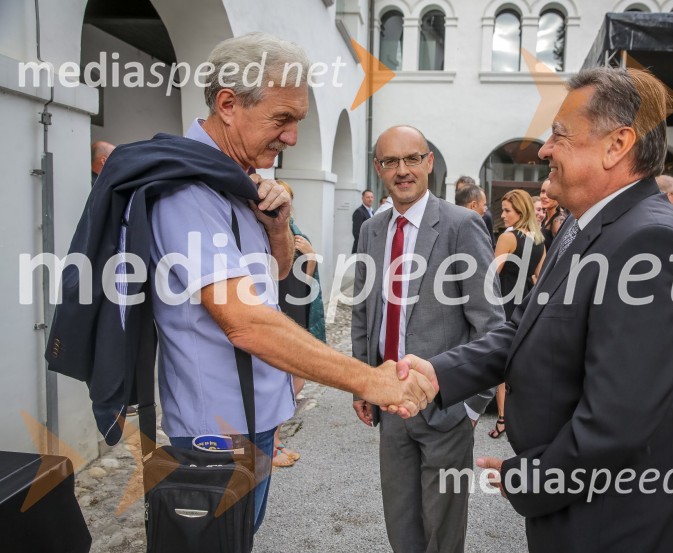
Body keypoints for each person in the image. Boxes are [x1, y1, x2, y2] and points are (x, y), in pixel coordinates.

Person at [49, 33, 437, 538]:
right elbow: (247, 323)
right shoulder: (188, 191)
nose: (293, 137)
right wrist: (371, 380)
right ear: (228, 105)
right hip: (219, 433)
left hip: (256, 420)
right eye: (283, 119)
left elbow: (274, 279)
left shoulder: (232, 177)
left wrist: (278, 227)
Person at [398, 67, 673, 552]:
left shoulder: (656, 242)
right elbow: (523, 330)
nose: (544, 150)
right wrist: (438, 373)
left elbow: (619, 421)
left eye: (559, 135)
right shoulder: (582, 226)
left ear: (617, 145)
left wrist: (531, 479)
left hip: (611, 522)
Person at [352, 125, 503, 553]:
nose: (402, 170)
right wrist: (363, 382)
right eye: (390, 162)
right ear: (378, 168)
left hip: (445, 408)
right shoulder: (372, 231)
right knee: (401, 524)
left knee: (443, 531)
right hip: (389, 404)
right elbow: (365, 312)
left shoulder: (462, 225)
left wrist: (472, 407)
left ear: (429, 163)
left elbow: (491, 323)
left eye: (412, 159)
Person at [271, 181, 326, 467]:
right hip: (279, 310)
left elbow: (308, 278)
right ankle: (271, 444)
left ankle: (274, 441)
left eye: (288, 200)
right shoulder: (270, 231)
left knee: (295, 380)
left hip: (297, 309)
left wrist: (311, 257)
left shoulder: (296, 232)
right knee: (282, 381)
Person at [489, 189, 545, 440]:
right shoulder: (539, 239)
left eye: (507, 210)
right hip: (529, 303)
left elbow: (491, 275)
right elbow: (539, 277)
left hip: (505, 303)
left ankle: (503, 418)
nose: (503, 215)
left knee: (502, 361)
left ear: (521, 212)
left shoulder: (509, 237)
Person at [457, 176, 495, 247]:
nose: (462, 193)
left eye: (466, 190)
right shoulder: (450, 215)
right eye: (459, 190)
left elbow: (489, 244)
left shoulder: (486, 216)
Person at [539, 178, 565, 251]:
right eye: (543, 191)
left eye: (549, 193)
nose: (544, 196)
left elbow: (562, 251)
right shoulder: (546, 218)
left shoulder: (558, 220)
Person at [352, 189, 374, 253]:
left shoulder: (371, 211)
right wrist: (364, 247)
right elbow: (356, 233)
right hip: (362, 249)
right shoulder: (359, 212)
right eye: (368, 197)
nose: (370, 199)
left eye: (371, 197)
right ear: (362, 198)